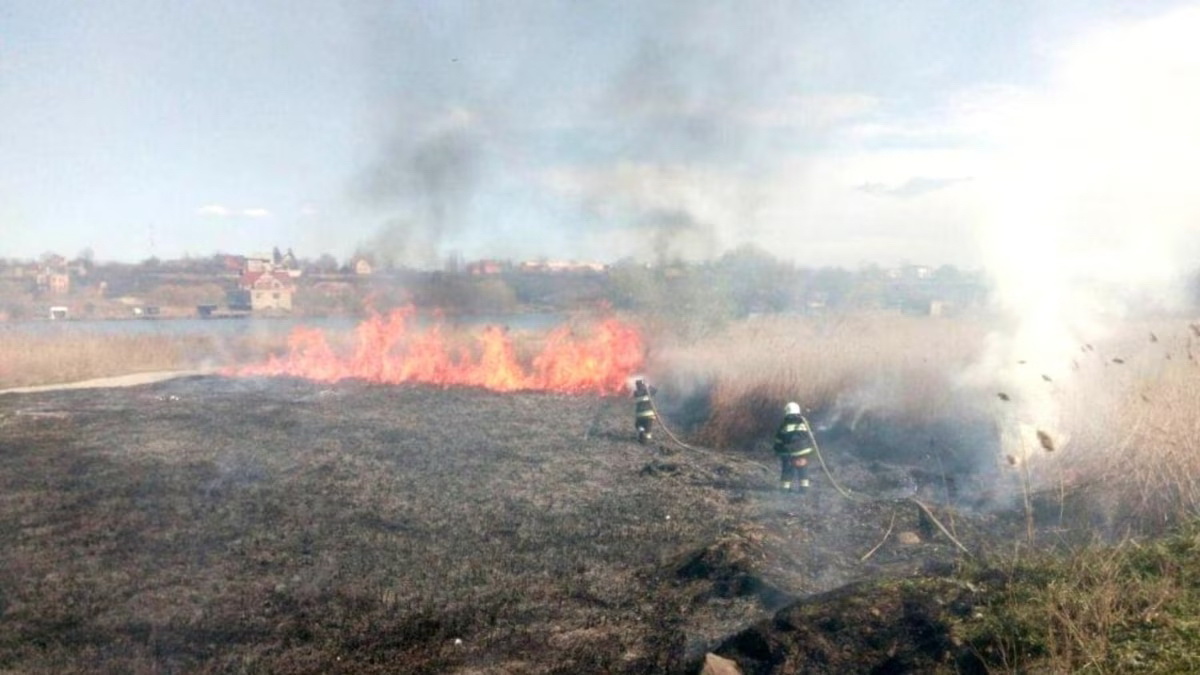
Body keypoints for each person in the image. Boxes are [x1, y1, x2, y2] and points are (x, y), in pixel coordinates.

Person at [774, 401, 814, 493]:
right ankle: (804, 489)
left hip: (789, 452)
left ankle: (784, 489)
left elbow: (779, 439)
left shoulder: (785, 424)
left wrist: (777, 448)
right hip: (803, 451)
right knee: (803, 469)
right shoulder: (804, 422)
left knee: (787, 470)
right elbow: (810, 436)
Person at [632, 379, 657, 443]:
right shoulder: (647, 391)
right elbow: (655, 390)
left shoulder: (636, 393)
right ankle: (647, 439)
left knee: (638, 424)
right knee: (648, 428)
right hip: (649, 415)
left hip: (640, 415)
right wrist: (648, 386)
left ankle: (641, 431)